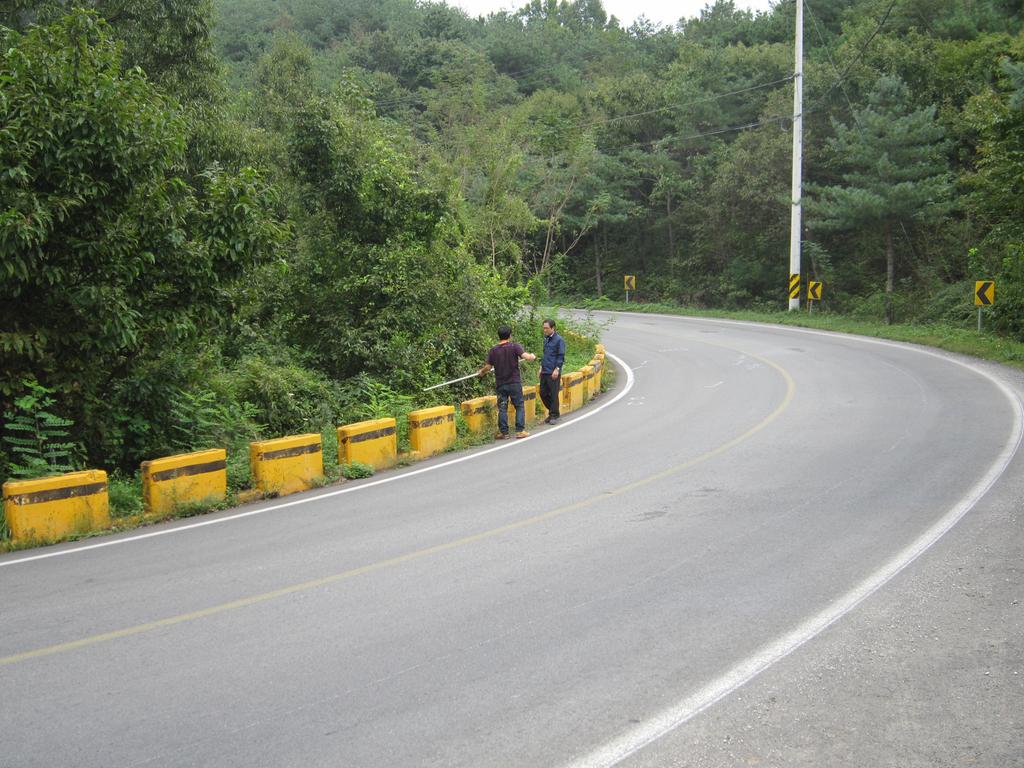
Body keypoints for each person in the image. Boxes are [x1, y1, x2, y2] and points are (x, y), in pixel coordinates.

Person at [478, 325, 536, 439]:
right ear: (510, 335)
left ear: (498, 336)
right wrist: (532, 356)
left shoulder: (493, 350)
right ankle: (520, 431)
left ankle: (504, 433)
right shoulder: (515, 347)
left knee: (502, 408)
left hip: (501, 384)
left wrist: (481, 372)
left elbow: (488, 367)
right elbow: (526, 357)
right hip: (514, 382)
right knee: (519, 405)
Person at [539, 318, 565, 424]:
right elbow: (545, 355)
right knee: (543, 393)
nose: (544, 330)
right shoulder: (546, 339)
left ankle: (553, 415)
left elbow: (561, 356)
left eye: (546, 328)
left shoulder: (559, 340)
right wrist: (541, 367)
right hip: (545, 371)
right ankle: (553, 411)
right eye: (543, 328)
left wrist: (557, 369)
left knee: (553, 394)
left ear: (553, 328)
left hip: (553, 372)